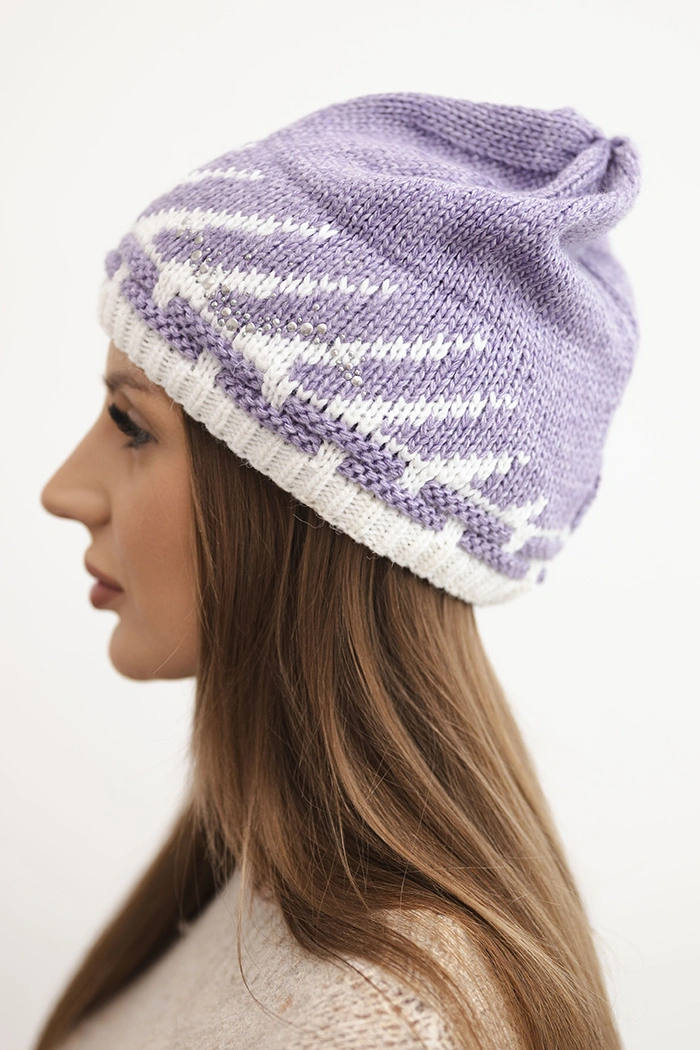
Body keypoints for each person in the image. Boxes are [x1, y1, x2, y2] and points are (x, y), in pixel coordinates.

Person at [36, 92, 641, 1050]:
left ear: (311, 506)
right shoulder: (251, 882)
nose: (64, 490)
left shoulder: (381, 1027)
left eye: (130, 425)